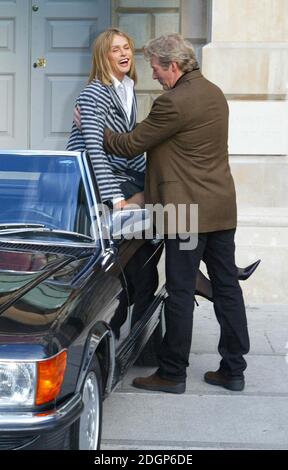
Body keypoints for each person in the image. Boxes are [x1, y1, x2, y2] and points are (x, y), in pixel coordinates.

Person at [103, 33, 250, 394]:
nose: (153, 75)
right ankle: (233, 369)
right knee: (228, 288)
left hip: (187, 213)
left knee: (180, 292)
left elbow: (130, 144)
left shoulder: (174, 103)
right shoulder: (214, 93)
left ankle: (171, 373)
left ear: (172, 65)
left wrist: (93, 129)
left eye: (155, 68)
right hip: (222, 208)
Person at [66, 28, 145, 209]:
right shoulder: (94, 93)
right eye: (115, 50)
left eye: (126, 48)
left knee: (160, 190)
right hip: (88, 174)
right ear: (104, 57)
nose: (124, 53)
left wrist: (149, 174)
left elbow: (129, 140)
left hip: (119, 170)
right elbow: (94, 149)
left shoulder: (128, 88)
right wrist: (115, 198)